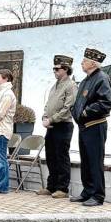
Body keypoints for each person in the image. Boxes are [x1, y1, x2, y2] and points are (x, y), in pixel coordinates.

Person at [70, 48, 111, 207]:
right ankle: (87, 192)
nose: (82, 62)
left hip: (95, 126)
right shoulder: (86, 80)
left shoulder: (102, 78)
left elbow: (106, 103)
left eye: (84, 60)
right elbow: (79, 102)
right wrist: (75, 111)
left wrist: (87, 112)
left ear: (93, 63)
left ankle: (97, 195)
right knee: (86, 161)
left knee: (95, 161)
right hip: (84, 127)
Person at [37, 55, 77, 199]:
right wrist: (44, 116)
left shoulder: (70, 85)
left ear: (65, 69)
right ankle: (51, 185)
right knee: (51, 157)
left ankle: (62, 188)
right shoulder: (55, 85)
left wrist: (52, 119)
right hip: (52, 125)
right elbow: (49, 104)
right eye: (54, 68)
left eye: (57, 68)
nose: (54, 71)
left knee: (61, 157)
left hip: (63, 125)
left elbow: (68, 107)